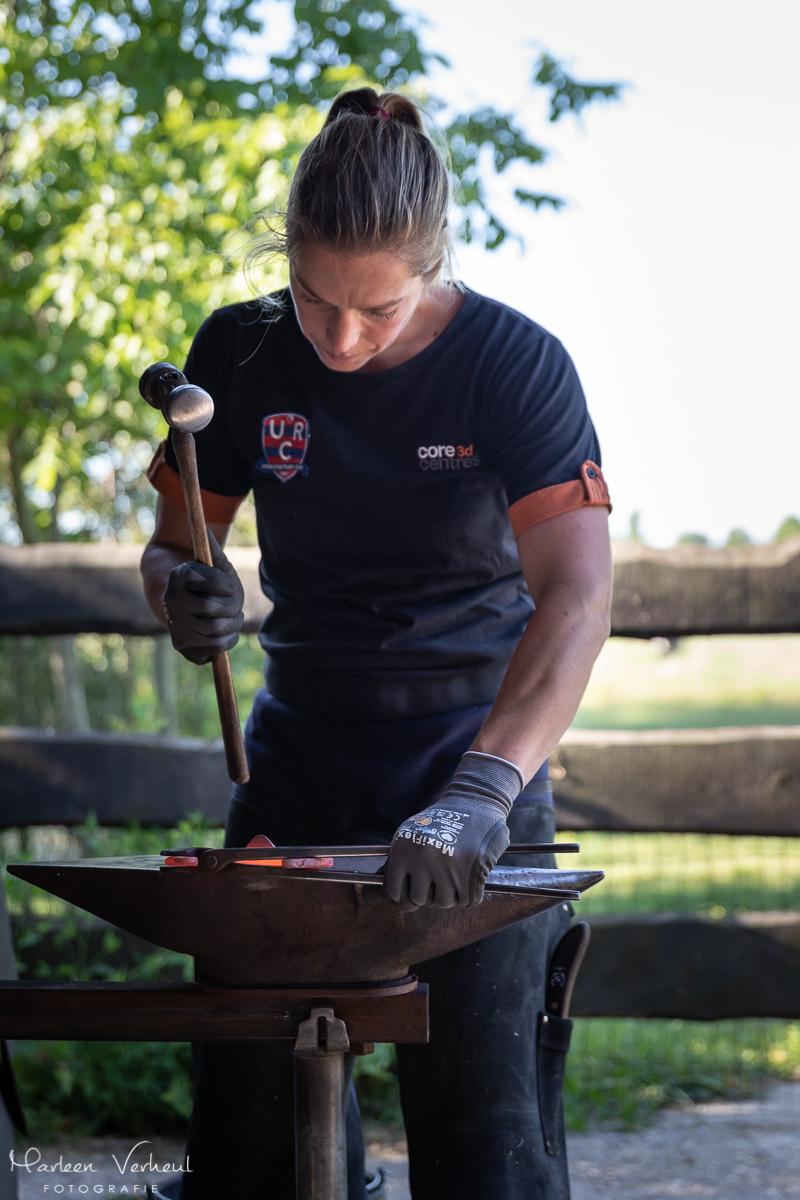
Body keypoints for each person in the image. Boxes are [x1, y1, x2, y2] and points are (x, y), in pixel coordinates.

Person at [141, 87, 612, 1200]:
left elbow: (576, 599)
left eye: (379, 314)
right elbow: (173, 549)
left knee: (483, 1155)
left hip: (475, 780)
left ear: (434, 267)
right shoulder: (241, 355)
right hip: (296, 775)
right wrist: (183, 596)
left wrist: (480, 791)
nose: (341, 340)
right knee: (249, 1166)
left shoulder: (515, 366)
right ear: (285, 258)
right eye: (314, 300)